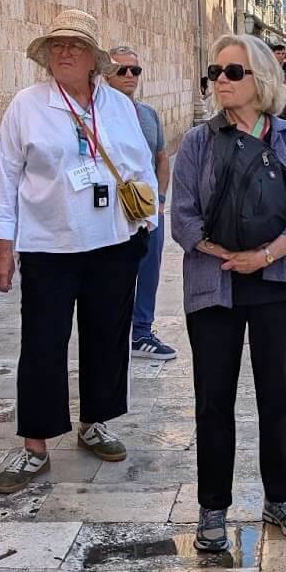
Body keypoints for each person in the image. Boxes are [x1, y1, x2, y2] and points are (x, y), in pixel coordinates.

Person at [0, 9, 159, 494]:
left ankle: (95, 422)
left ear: (92, 61)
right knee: (42, 342)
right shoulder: (27, 105)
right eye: (57, 45)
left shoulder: (119, 107)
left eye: (75, 46)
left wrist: (147, 227)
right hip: (48, 244)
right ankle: (35, 445)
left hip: (113, 242)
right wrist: (3, 249)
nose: (64, 52)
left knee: (107, 335)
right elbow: (5, 178)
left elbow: (141, 166)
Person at [170, 34, 286, 552]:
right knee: (213, 399)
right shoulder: (197, 143)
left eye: (233, 72)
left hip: (279, 282)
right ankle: (212, 505)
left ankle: (280, 497)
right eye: (216, 70)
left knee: (277, 397)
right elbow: (183, 218)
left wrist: (262, 256)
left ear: (261, 80)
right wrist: (223, 253)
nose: (221, 80)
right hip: (215, 284)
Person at [108, 44, 177, 362]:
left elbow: (161, 158)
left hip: (146, 206)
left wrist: (160, 200)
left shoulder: (148, 114)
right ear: (107, 73)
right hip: (110, 209)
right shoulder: (98, 114)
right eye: (122, 69)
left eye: (134, 70)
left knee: (149, 268)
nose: (129, 76)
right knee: (113, 271)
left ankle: (142, 331)